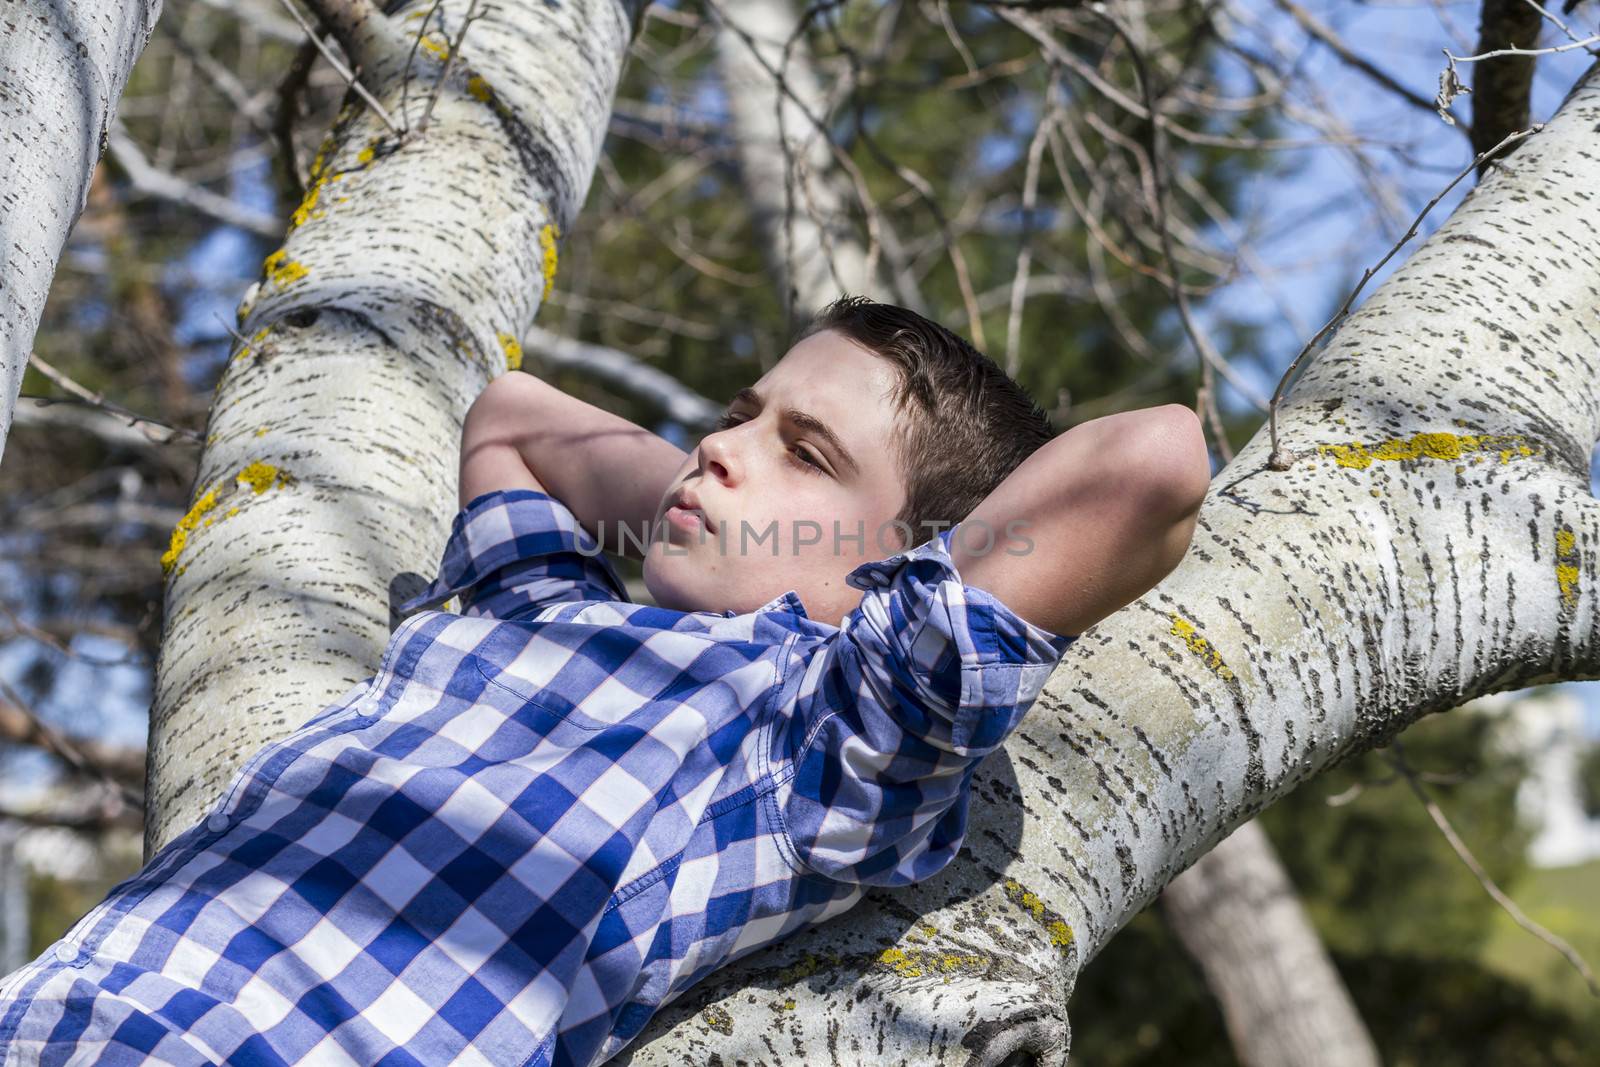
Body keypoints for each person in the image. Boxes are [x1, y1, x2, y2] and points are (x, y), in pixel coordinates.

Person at [0, 297, 1209, 1065]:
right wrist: (730, 508)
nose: (718, 446)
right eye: (740, 414)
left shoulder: (808, 729)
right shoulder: (538, 606)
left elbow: (1151, 460)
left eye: (805, 450)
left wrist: (838, 586)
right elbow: (513, 419)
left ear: (911, 573)